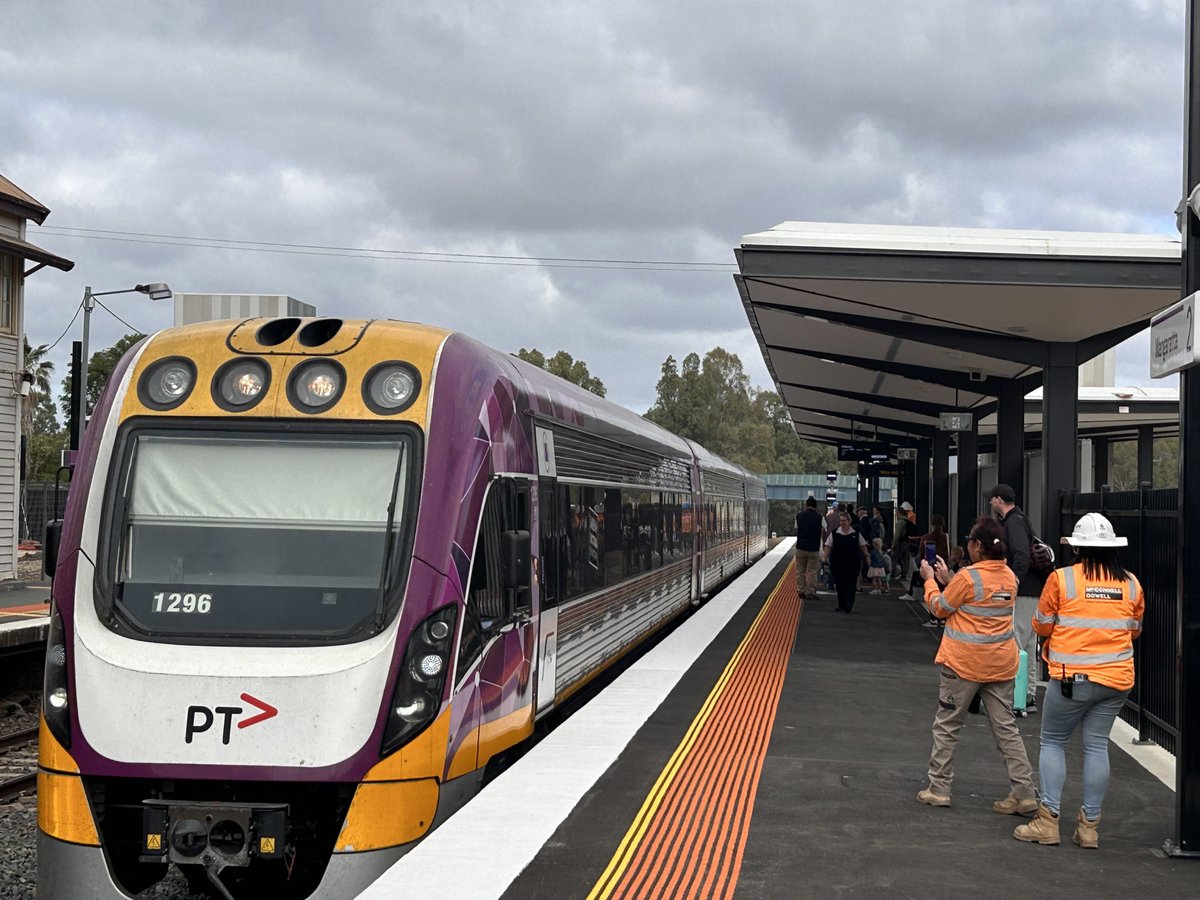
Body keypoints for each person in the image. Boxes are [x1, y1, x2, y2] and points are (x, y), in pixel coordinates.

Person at [1013, 513, 1144, 849]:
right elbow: (1134, 629)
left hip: (1073, 679)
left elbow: (1042, 625)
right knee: (1097, 745)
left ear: (1077, 548)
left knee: (1053, 742)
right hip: (1116, 680)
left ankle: (1048, 821)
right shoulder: (1131, 583)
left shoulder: (1062, 579)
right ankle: (1089, 828)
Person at [914, 516, 1038, 815]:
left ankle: (939, 788)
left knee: (947, 726)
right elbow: (977, 599)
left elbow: (940, 608)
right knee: (1006, 729)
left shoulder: (968, 577)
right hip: (1000, 665)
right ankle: (1024, 793)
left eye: (970, 540)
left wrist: (930, 580)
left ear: (978, 545)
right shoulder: (1010, 577)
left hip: (963, 664)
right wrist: (949, 579)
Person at [989, 484, 1048, 712]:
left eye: (992, 499)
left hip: (1022, 591)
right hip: (1033, 590)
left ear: (998, 500)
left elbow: (1021, 555)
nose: (990, 503)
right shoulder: (1021, 519)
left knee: (1018, 643)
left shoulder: (1013, 522)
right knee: (1029, 645)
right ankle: (1028, 695)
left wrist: (1011, 583)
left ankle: (1016, 697)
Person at [823, 510, 869, 613]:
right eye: (840, 520)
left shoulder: (856, 534)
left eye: (844, 520)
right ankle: (841, 604)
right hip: (837, 562)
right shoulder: (834, 533)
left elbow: (863, 546)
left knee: (851, 583)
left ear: (849, 521)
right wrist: (825, 557)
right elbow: (828, 546)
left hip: (852, 563)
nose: (842, 523)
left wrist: (867, 556)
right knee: (840, 584)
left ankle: (849, 603)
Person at [794, 497, 824, 602]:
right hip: (814, 548)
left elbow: (797, 528)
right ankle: (810, 592)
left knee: (800, 571)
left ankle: (801, 591)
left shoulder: (799, 516)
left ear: (806, 505)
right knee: (812, 571)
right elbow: (824, 528)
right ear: (815, 506)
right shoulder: (820, 517)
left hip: (801, 547)